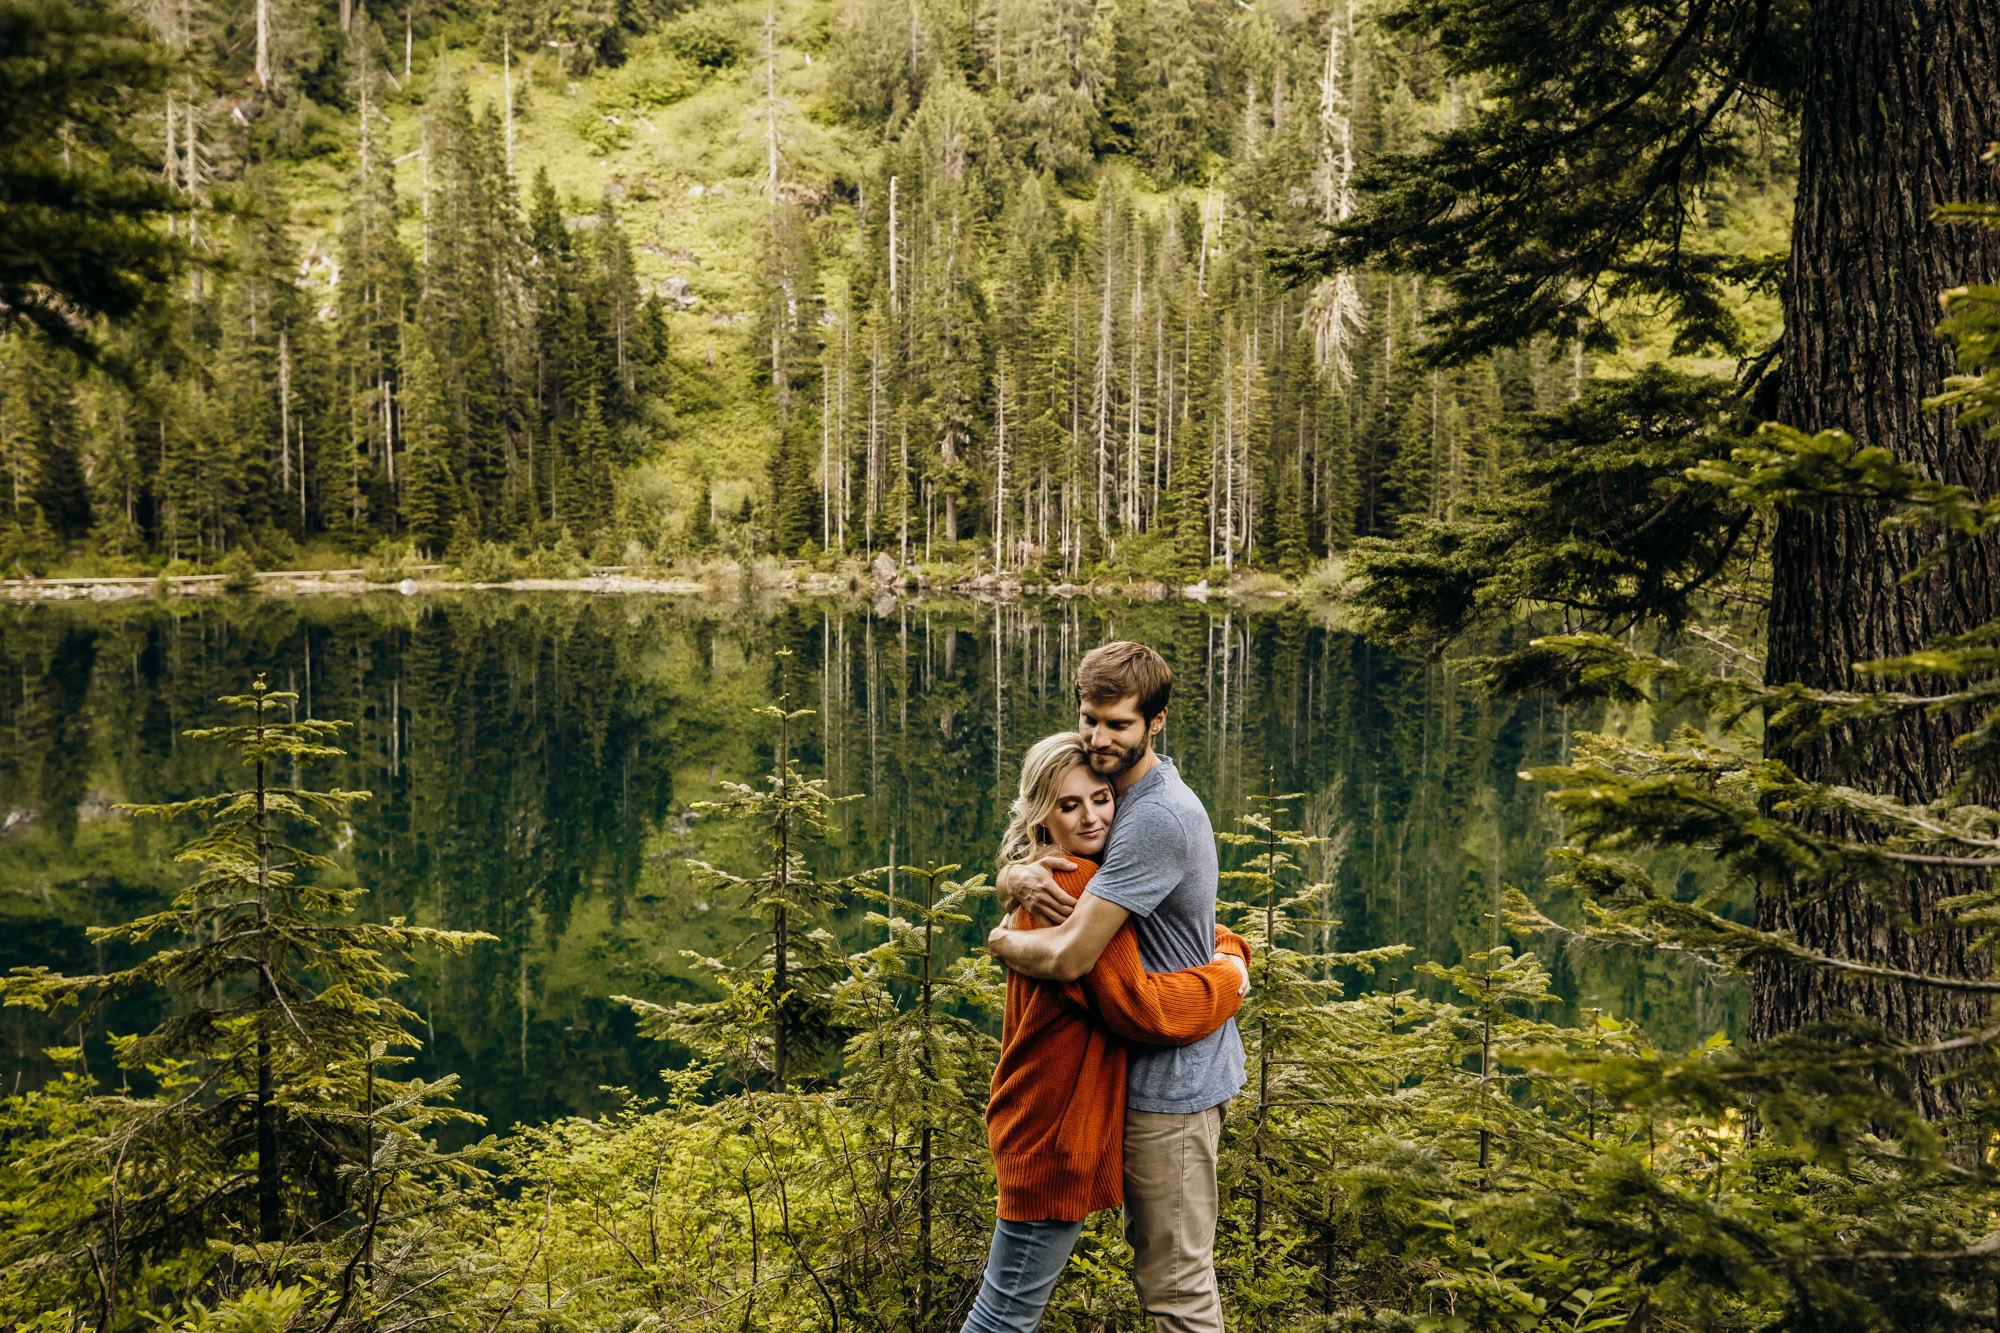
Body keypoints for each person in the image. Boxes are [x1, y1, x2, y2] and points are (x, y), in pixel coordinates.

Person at [987, 642, 1241, 1333]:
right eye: (1090, 719)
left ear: (1155, 722)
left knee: (1177, 1287)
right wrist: (1013, 874)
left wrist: (1002, 941)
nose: (1099, 740)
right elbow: (1055, 837)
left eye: (1119, 725)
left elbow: (1076, 958)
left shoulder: (1154, 816)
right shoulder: (1119, 798)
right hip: (1129, 1074)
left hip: (1174, 1079)